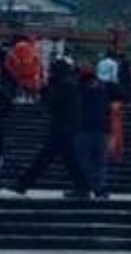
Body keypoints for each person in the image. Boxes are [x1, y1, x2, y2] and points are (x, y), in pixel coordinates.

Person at [14, 58, 81, 196]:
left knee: (48, 158)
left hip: (61, 128)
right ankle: (23, 183)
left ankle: (23, 184)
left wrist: (44, 90)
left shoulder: (64, 85)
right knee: (65, 160)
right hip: (67, 127)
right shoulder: (70, 84)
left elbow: (52, 103)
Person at [73, 66, 114, 199]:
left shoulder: (79, 91)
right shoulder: (103, 90)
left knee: (95, 162)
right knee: (92, 162)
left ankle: (92, 189)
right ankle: (92, 189)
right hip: (92, 130)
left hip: (93, 130)